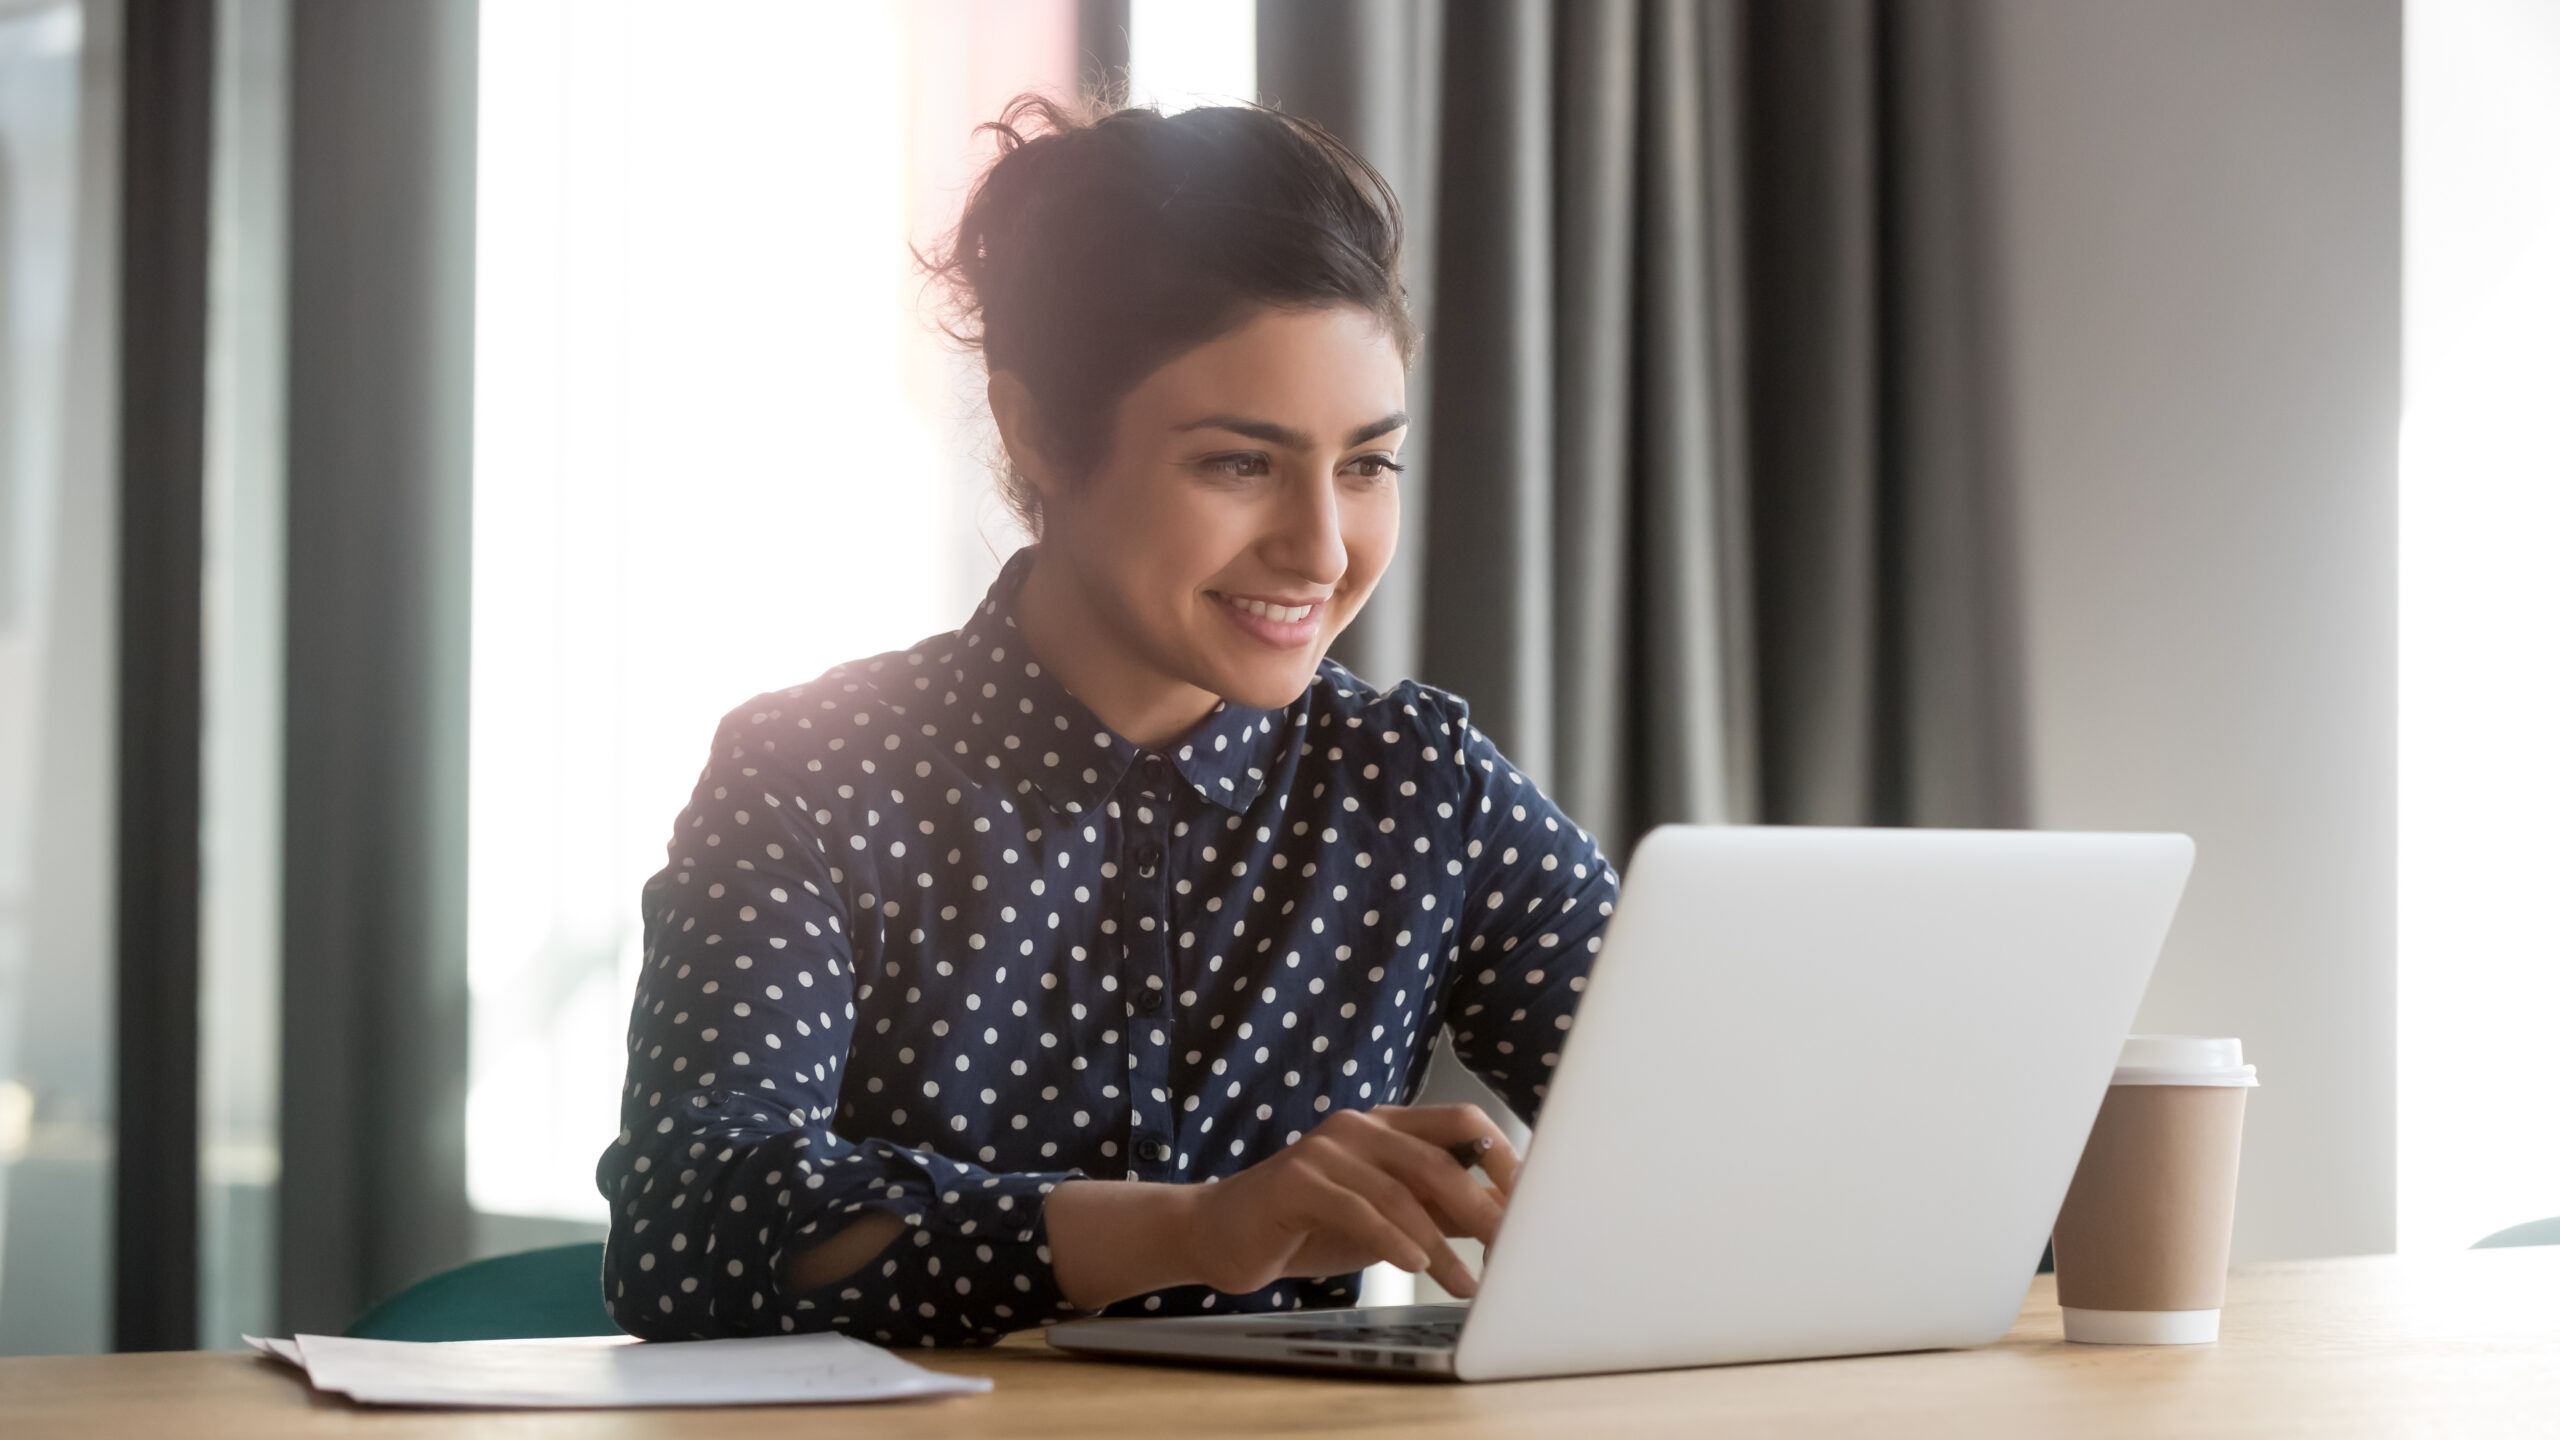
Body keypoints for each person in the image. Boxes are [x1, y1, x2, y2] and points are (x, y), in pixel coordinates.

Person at [597, 96, 1618, 1347]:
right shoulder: (813, 772)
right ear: (1036, 430)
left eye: (1365, 465)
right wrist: (1198, 1228)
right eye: (1238, 464)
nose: (1321, 548)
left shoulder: (1420, 788)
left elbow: (1714, 1127)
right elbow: (691, 1232)